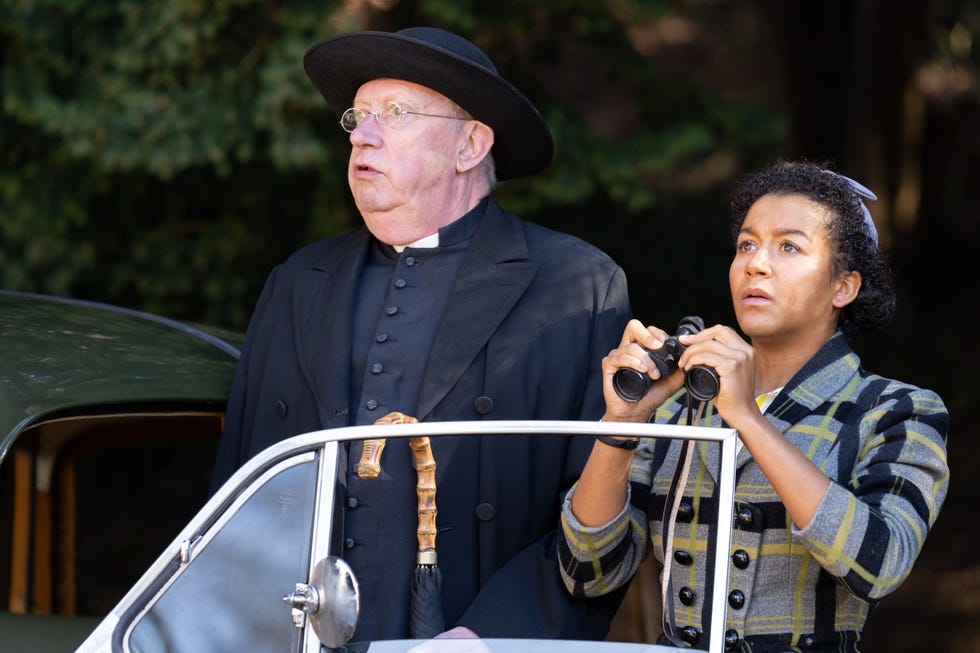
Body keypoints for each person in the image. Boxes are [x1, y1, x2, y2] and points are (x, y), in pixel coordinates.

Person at [210, 27, 631, 641]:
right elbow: (236, 490)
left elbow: (603, 501)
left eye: (396, 113)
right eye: (357, 117)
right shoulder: (298, 280)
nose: (361, 134)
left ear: (470, 145)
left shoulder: (576, 286)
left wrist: (492, 635)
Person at [557, 161, 950, 652]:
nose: (756, 264)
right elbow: (589, 572)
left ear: (843, 286)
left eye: (789, 246)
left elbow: (880, 564)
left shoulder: (897, 409)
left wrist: (746, 416)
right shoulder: (679, 408)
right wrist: (622, 422)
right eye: (747, 244)